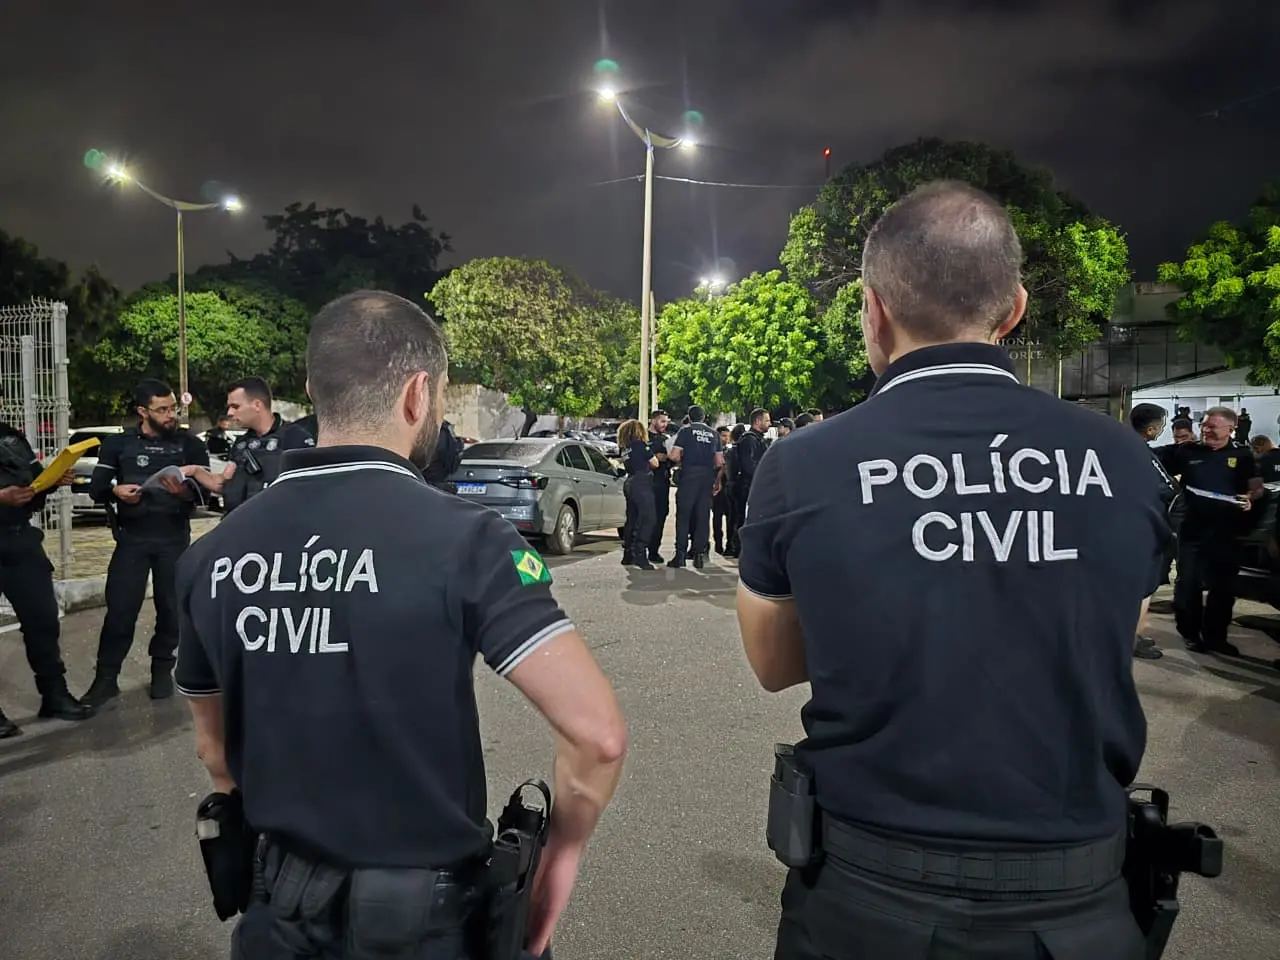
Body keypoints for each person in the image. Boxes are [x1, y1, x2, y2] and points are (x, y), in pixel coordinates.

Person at [736, 181, 1170, 960]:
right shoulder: (1124, 460)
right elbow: (1118, 625)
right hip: (1075, 898)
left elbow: (774, 664)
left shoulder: (803, 465)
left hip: (870, 895)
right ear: (1013, 310)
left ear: (873, 308)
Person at [175, 290, 627, 958]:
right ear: (419, 394)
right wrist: (557, 864)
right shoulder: (468, 540)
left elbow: (216, 755)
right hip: (427, 928)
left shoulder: (211, 557)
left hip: (278, 918)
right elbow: (598, 736)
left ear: (313, 388)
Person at [84, 380, 212, 706]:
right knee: (121, 611)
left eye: (173, 408)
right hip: (133, 539)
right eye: (162, 409)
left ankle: (161, 670)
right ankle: (106, 678)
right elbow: (96, 488)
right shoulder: (118, 445)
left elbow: (206, 495)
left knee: (172, 611)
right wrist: (115, 491)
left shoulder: (189, 445)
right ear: (142, 411)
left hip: (173, 538)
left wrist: (183, 492)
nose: (171, 415)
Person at [0, 422, 90, 737]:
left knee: (43, 621)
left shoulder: (10, 436)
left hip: (19, 539)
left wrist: (50, 482)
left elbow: (33, 482)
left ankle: (54, 695)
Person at [1160, 405, 1260, 656]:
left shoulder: (1244, 455)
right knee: (1187, 586)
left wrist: (1250, 497)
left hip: (1227, 533)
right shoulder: (1186, 451)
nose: (1206, 430)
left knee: (1223, 588)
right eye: (1204, 425)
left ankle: (1216, 637)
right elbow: (1152, 463)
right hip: (1192, 531)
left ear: (1231, 428)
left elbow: (1256, 487)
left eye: (1212, 426)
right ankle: (1190, 634)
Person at [188, 377, 314, 513]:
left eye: (235, 406)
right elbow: (224, 483)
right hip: (238, 524)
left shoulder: (295, 438)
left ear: (257, 405)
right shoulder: (241, 444)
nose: (230, 413)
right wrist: (195, 471)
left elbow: (310, 489)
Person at [1129, 403, 1174, 661]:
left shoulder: (1113, 446)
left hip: (1119, 528)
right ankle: (1133, 637)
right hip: (1144, 529)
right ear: (1151, 429)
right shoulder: (1142, 452)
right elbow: (1168, 488)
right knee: (1144, 589)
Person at [667, 405, 724, 569]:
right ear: (704, 417)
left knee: (683, 516)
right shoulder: (714, 434)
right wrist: (716, 481)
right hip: (706, 477)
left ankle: (680, 555)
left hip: (689, 477)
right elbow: (719, 462)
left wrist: (679, 459)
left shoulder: (685, 431)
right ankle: (699, 555)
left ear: (689, 417)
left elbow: (674, 455)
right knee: (703, 516)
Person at [619, 418, 659, 571]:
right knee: (648, 517)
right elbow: (655, 463)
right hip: (642, 482)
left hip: (629, 482)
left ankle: (628, 553)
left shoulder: (625, 448)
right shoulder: (641, 445)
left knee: (632, 518)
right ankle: (640, 553)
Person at [646, 410, 672, 563]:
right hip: (647, 483)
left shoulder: (666, 439)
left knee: (661, 515)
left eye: (666, 422)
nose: (665, 425)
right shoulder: (643, 437)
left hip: (663, 482)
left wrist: (668, 458)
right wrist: (655, 458)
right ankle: (640, 549)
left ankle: (654, 550)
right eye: (662, 421)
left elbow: (672, 459)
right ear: (653, 420)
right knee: (645, 516)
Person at [712, 426, 732, 554]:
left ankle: (729, 543)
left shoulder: (730, 451)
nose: (726, 439)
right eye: (723, 436)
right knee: (717, 517)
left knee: (730, 517)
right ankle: (718, 543)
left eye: (727, 436)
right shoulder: (713, 451)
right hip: (717, 488)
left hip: (728, 487)